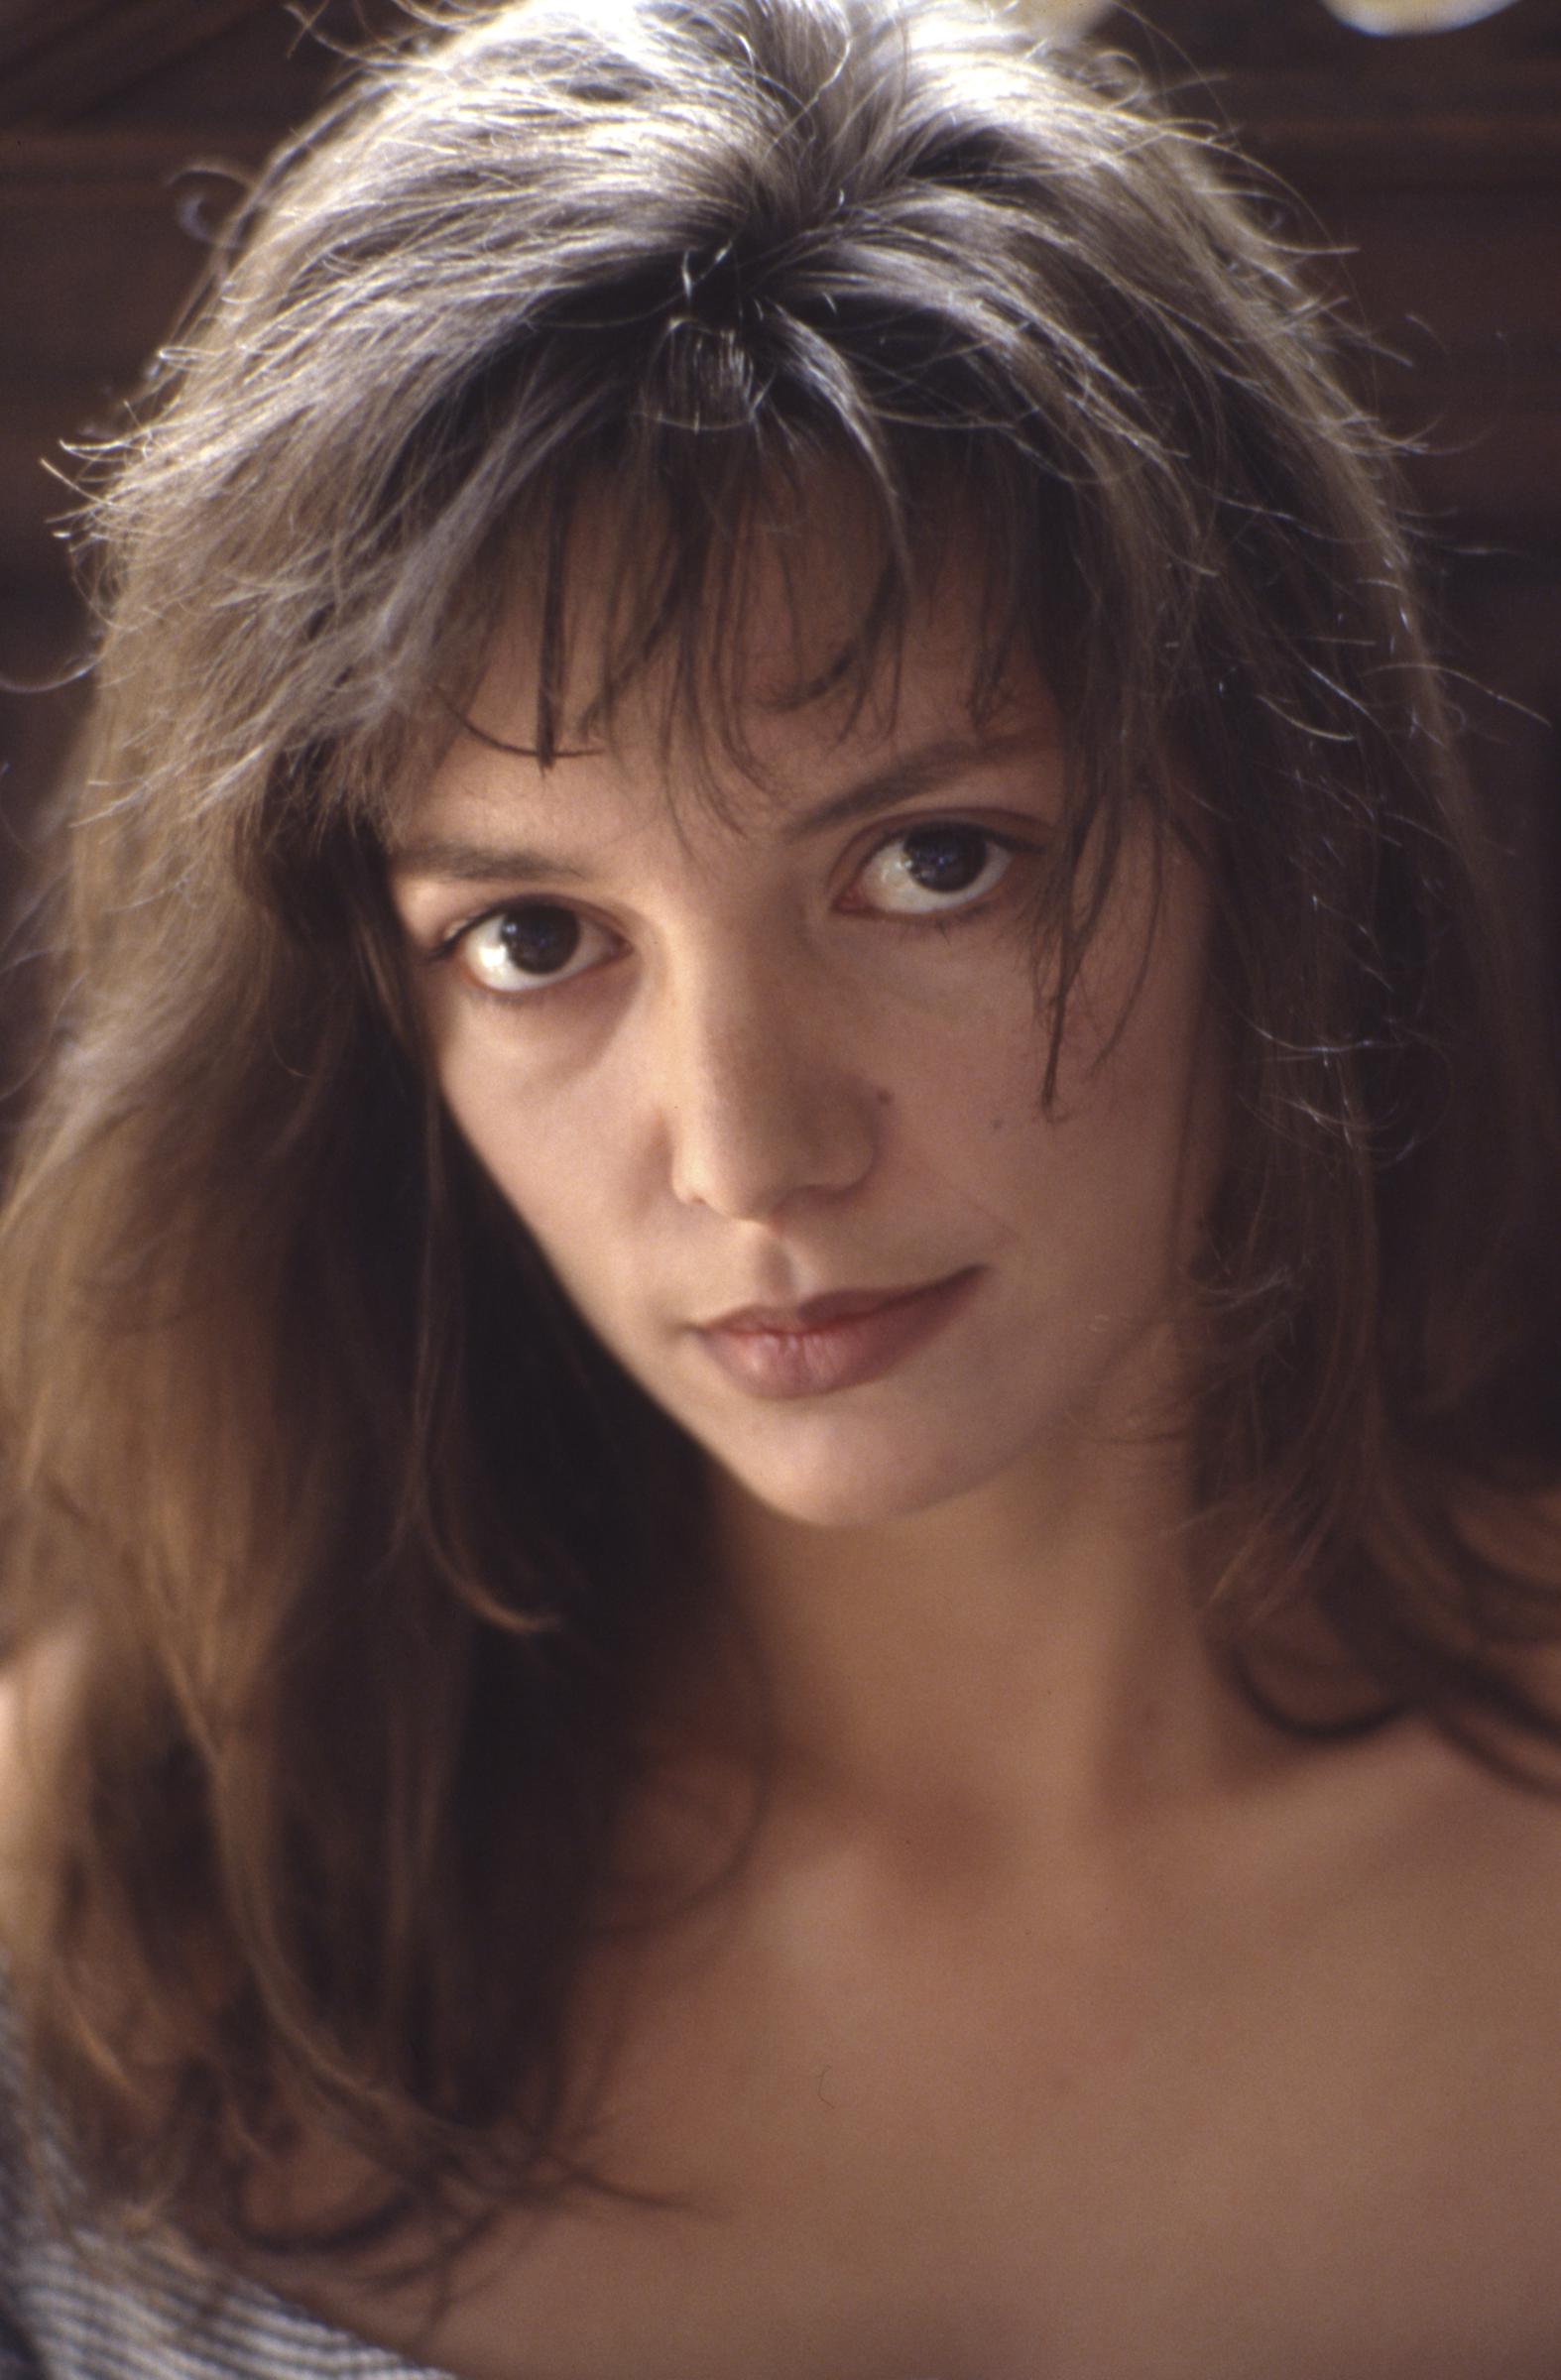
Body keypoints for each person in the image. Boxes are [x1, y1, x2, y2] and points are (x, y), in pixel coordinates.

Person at [1, 0, 1560, 2371]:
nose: (749, 1153)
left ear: (1282, 834)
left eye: (932, 865)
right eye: (534, 941)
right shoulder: (97, 1901)